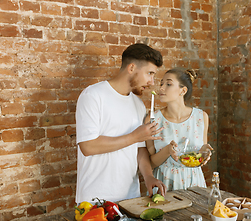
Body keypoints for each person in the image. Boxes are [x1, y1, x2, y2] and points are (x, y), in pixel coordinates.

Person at [75, 43, 167, 204]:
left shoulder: (138, 104)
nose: (152, 82)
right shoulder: (93, 96)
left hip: (130, 198)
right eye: (149, 73)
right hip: (95, 199)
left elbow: (140, 149)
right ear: (131, 68)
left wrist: (148, 176)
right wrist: (134, 136)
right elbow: (87, 146)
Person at [144, 68, 213, 192]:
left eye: (168, 84)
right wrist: (167, 151)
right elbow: (150, 164)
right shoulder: (152, 119)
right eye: (161, 84)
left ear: (183, 90)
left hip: (195, 184)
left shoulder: (201, 117)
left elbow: (198, 156)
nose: (161, 88)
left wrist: (204, 153)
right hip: (164, 185)